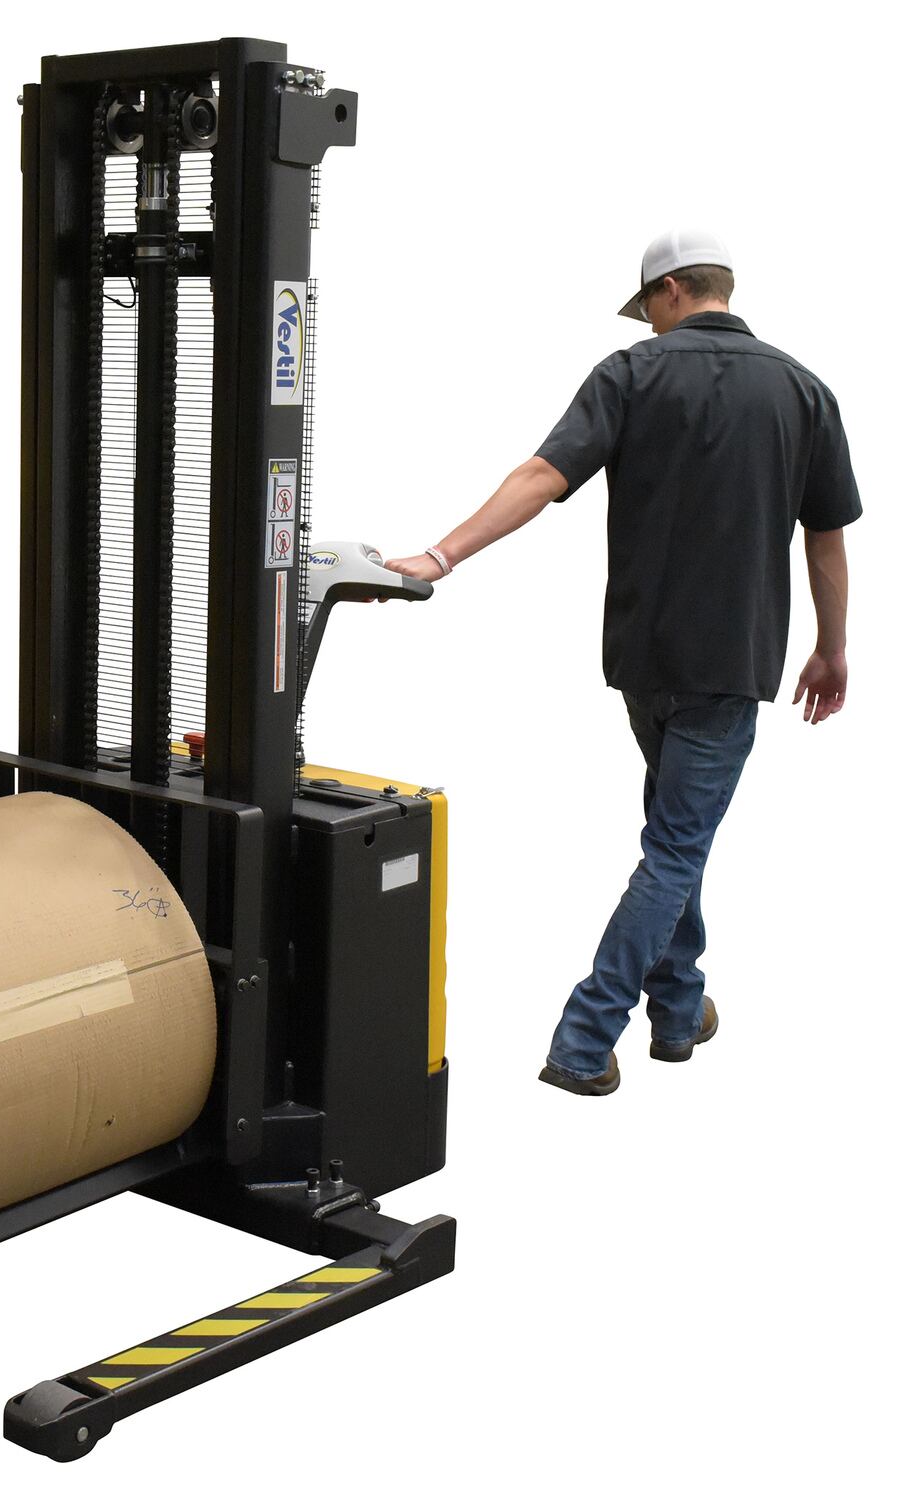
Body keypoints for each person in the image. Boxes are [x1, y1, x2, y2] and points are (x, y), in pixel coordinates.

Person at [382, 229, 862, 1096]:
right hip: (730, 663)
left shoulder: (631, 374)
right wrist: (830, 649)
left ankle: (677, 1009)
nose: (646, 323)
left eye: (647, 306)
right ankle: (583, 1038)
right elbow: (823, 540)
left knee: (673, 840)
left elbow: (541, 476)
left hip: (642, 660)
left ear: (670, 289)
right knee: (676, 846)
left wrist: (442, 555)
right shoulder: (802, 391)